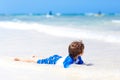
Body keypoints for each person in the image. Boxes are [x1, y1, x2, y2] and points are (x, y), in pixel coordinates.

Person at [14, 40, 85, 68]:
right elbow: (66, 67)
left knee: (44, 58)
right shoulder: (69, 61)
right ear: (80, 53)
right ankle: (20, 59)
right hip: (53, 61)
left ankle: (36, 56)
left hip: (58, 58)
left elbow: (82, 64)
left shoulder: (78, 57)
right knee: (37, 61)